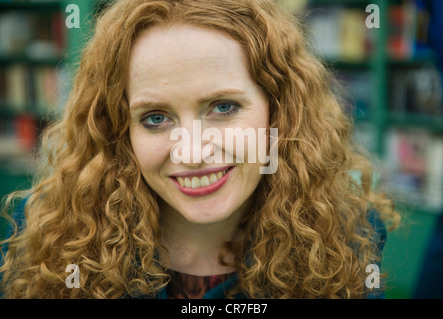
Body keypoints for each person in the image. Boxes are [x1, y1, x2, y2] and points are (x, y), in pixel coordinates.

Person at [0, 0, 399, 299]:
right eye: (155, 118)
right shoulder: (53, 238)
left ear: (280, 115)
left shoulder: (346, 234)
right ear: (120, 132)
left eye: (223, 107)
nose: (192, 152)